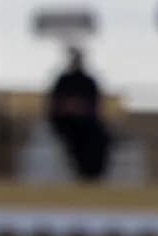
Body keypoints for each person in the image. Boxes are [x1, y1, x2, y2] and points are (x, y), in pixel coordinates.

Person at [46, 48, 112, 181]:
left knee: (98, 139)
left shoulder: (89, 81)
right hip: (65, 123)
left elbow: (95, 105)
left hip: (88, 124)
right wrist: (69, 108)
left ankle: (92, 175)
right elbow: (54, 104)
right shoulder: (63, 81)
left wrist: (81, 108)